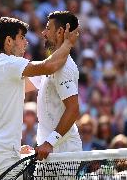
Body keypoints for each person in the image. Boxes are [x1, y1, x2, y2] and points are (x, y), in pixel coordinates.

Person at [0, 17, 79, 180]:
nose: (26, 43)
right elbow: (49, 66)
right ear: (9, 41)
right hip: (0, 155)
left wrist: (14, 149)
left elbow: (42, 77)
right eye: (22, 37)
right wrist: (68, 43)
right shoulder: (10, 64)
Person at [27, 11, 82, 160]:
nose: (43, 33)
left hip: (62, 153)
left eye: (48, 28)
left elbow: (73, 109)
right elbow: (24, 87)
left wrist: (50, 143)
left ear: (60, 32)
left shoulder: (64, 67)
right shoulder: (52, 64)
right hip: (49, 151)